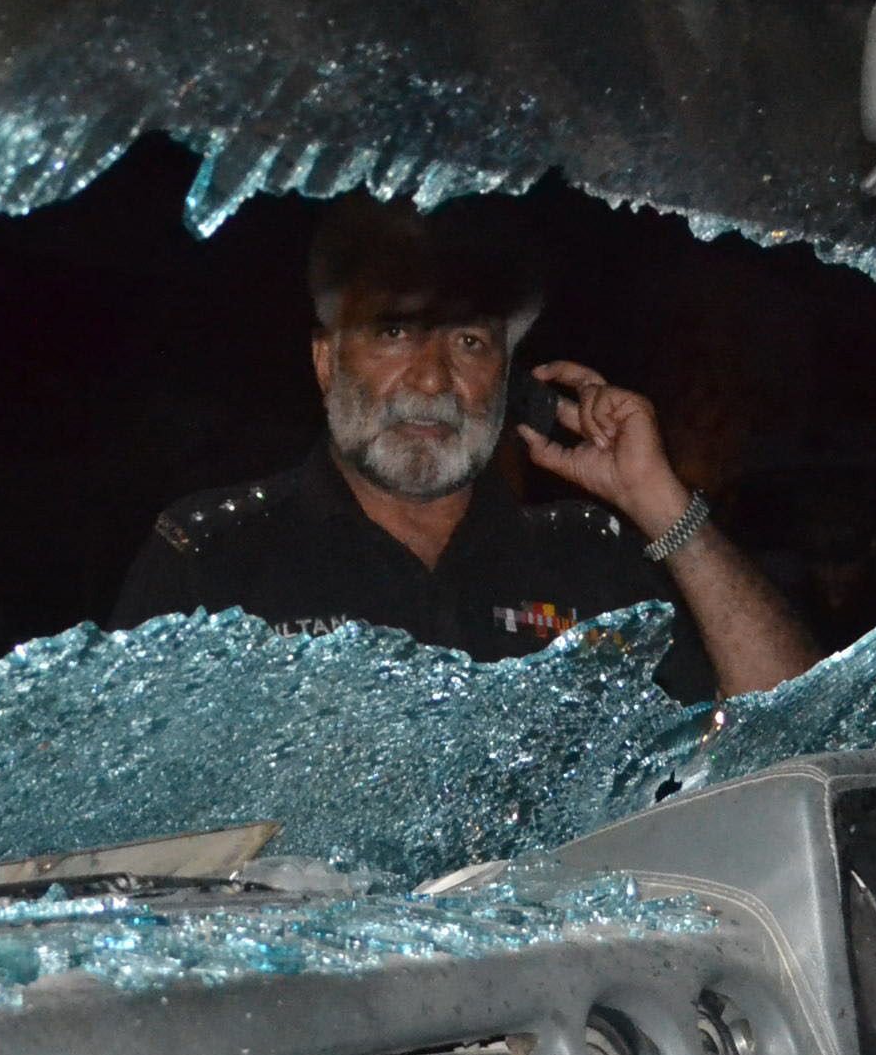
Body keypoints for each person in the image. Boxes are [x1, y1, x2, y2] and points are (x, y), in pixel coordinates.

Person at [112, 197, 820, 698]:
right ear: (328, 361)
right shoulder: (211, 559)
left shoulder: (591, 559)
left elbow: (791, 729)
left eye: (471, 343)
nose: (433, 377)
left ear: (507, 380)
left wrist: (662, 505)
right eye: (395, 332)